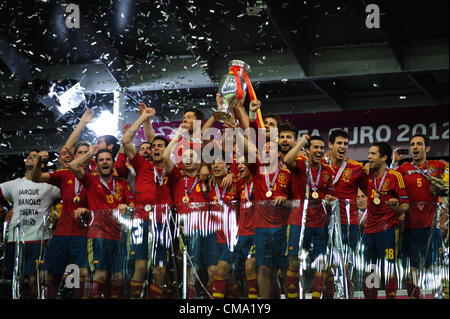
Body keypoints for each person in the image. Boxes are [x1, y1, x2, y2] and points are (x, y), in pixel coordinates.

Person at [69, 146, 135, 299]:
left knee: (118, 276)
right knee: (101, 275)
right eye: (101, 160)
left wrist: (127, 206)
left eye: (107, 159)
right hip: (98, 235)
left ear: (113, 163)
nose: (104, 162)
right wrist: (91, 153)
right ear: (96, 164)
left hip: (119, 236)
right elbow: (73, 166)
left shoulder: (123, 183)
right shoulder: (90, 180)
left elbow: (132, 204)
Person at [121, 107, 173, 299]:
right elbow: (126, 140)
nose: (157, 148)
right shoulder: (141, 164)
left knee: (159, 270)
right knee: (140, 267)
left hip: (162, 223)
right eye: (154, 146)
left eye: (161, 146)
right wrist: (143, 118)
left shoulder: (171, 168)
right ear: (149, 151)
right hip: (139, 221)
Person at [31, 141, 91, 299]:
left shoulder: (95, 178)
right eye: (80, 153)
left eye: (87, 152)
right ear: (75, 156)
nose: (83, 156)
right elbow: (36, 177)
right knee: (51, 275)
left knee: (76, 277)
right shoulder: (64, 175)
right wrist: (39, 161)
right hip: (62, 233)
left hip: (83, 235)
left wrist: (87, 210)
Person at [163, 126, 216, 299]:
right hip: (187, 227)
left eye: (191, 156)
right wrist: (177, 135)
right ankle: (190, 299)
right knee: (191, 264)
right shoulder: (177, 177)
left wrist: (206, 167)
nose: (187, 159)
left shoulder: (206, 177)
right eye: (184, 157)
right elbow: (165, 157)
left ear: (200, 161)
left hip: (209, 226)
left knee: (212, 266)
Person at [0, 150, 61, 299]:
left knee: (36, 281)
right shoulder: (14, 184)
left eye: (35, 156)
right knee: (17, 279)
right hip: (16, 239)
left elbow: (71, 191)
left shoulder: (50, 187)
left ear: (42, 163)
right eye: (28, 156)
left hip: (38, 239)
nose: (30, 158)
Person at [393, 134, 447, 298]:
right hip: (411, 227)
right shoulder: (402, 169)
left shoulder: (438, 167)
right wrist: (394, 162)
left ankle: (438, 296)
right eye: (412, 144)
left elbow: (447, 186)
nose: (414, 147)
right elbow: (388, 181)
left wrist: (441, 189)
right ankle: (414, 297)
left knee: (435, 266)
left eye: (418, 144)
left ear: (427, 148)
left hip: (432, 227)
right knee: (412, 268)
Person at [284, 135, 336, 299]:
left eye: (322, 148)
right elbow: (286, 159)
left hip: (319, 223)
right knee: (294, 262)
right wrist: (301, 142)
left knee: (320, 262)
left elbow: (330, 193)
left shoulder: (328, 171)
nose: (320, 151)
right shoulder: (300, 164)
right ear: (307, 150)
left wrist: (329, 198)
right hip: (298, 222)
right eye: (315, 147)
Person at [362, 141, 409, 299]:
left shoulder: (395, 176)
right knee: (369, 270)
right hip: (369, 230)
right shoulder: (368, 174)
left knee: (389, 268)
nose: (369, 157)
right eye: (369, 153)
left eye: (373, 154)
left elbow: (405, 206)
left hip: (388, 229)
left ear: (384, 157)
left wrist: (396, 206)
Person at [325, 129, 367, 298]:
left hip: (348, 225)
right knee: (327, 268)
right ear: (330, 145)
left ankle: (346, 296)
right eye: (339, 143)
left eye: (345, 144)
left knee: (346, 266)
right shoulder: (321, 165)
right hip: (324, 224)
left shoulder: (356, 168)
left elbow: (370, 192)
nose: (343, 147)